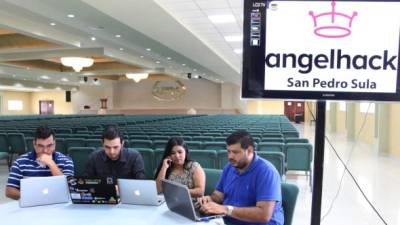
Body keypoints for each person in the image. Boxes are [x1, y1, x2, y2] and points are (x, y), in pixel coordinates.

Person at [197, 130, 284, 225]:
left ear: (250, 150)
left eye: (235, 152)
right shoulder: (230, 167)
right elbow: (218, 194)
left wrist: (226, 209)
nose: (230, 156)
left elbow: (264, 215)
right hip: (230, 220)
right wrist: (209, 199)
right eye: (228, 151)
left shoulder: (266, 171)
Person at [5, 126, 74, 200]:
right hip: (31, 203)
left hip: (59, 204)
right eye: (41, 146)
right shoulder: (20, 161)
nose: (45, 150)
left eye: (49, 146)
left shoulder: (66, 161)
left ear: (54, 144)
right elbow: (9, 191)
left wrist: (51, 164)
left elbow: (68, 189)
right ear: (34, 144)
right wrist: (34, 198)